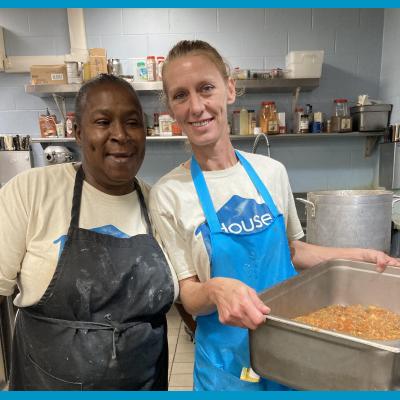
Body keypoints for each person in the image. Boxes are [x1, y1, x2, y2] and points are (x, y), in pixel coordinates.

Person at [148, 40, 400, 391]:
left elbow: (294, 251)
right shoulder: (168, 194)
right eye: (180, 95)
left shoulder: (271, 172)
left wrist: (358, 256)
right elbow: (188, 294)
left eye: (206, 88)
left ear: (229, 90)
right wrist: (216, 290)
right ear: (171, 109)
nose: (196, 106)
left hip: (290, 350)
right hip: (225, 365)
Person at [0, 74, 178, 390]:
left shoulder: (160, 205)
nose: (120, 135)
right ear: (79, 133)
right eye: (103, 121)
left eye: (132, 122)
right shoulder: (31, 192)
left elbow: (188, 295)